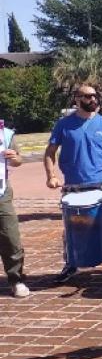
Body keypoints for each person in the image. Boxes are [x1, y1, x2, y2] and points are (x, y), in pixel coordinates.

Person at [44, 84, 102, 283]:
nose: (93, 100)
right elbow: (49, 152)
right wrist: (51, 176)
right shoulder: (63, 125)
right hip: (73, 187)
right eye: (88, 96)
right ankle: (70, 263)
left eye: (94, 96)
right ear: (77, 99)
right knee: (71, 229)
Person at [0, 123, 28, 297]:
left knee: (11, 237)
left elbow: (18, 160)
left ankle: (16, 279)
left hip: (1, 193)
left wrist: (13, 157)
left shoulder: (5, 134)